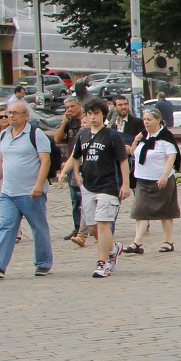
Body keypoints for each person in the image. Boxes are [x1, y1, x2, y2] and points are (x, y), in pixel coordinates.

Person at [59, 98, 130, 278]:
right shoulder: (83, 136)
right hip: (89, 185)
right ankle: (113, 248)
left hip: (108, 185)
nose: (92, 117)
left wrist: (125, 184)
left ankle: (102, 262)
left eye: (96, 113)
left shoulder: (112, 136)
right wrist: (68, 174)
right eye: (89, 114)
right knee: (92, 227)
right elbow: (75, 157)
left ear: (103, 115)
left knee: (103, 223)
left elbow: (122, 161)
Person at [0, 101, 52, 279]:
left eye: (14, 113)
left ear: (25, 115)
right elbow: (1, 161)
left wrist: (38, 185)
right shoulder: (4, 135)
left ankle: (43, 263)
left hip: (30, 192)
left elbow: (45, 161)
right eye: (8, 113)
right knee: (6, 227)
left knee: (38, 228)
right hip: (9, 192)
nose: (10, 116)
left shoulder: (36, 135)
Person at [124, 107, 181, 255]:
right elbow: (134, 154)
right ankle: (137, 242)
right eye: (144, 120)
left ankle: (168, 241)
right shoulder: (143, 135)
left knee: (166, 211)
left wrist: (164, 175)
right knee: (140, 210)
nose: (146, 122)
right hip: (143, 179)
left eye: (149, 120)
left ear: (158, 120)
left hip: (161, 180)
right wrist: (135, 143)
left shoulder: (165, 136)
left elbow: (171, 156)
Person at [53, 96, 84, 245]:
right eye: (67, 108)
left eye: (72, 106)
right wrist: (64, 121)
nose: (69, 110)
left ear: (79, 105)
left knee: (88, 197)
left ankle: (90, 227)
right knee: (75, 198)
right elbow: (57, 139)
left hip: (86, 163)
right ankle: (77, 227)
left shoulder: (86, 120)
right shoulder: (69, 122)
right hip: (72, 162)